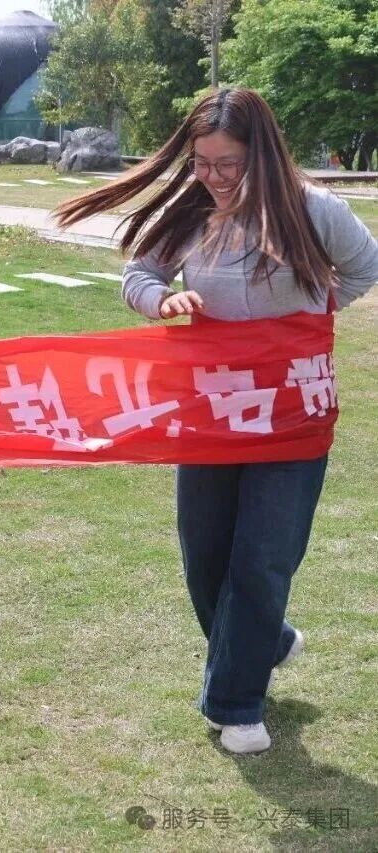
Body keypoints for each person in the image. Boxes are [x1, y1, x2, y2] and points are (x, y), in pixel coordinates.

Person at [54, 88, 378, 754]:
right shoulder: (192, 211)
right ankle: (269, 642)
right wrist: (163, 302)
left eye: (228, 163)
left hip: (291, 418)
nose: (215, 176)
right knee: (204, 559)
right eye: (202, 162)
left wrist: (313, 314)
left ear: (263, 154)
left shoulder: (315, 211)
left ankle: (236, 704)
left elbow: (364, 267)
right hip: (210, 414)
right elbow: (139, 274)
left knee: (262, 558)